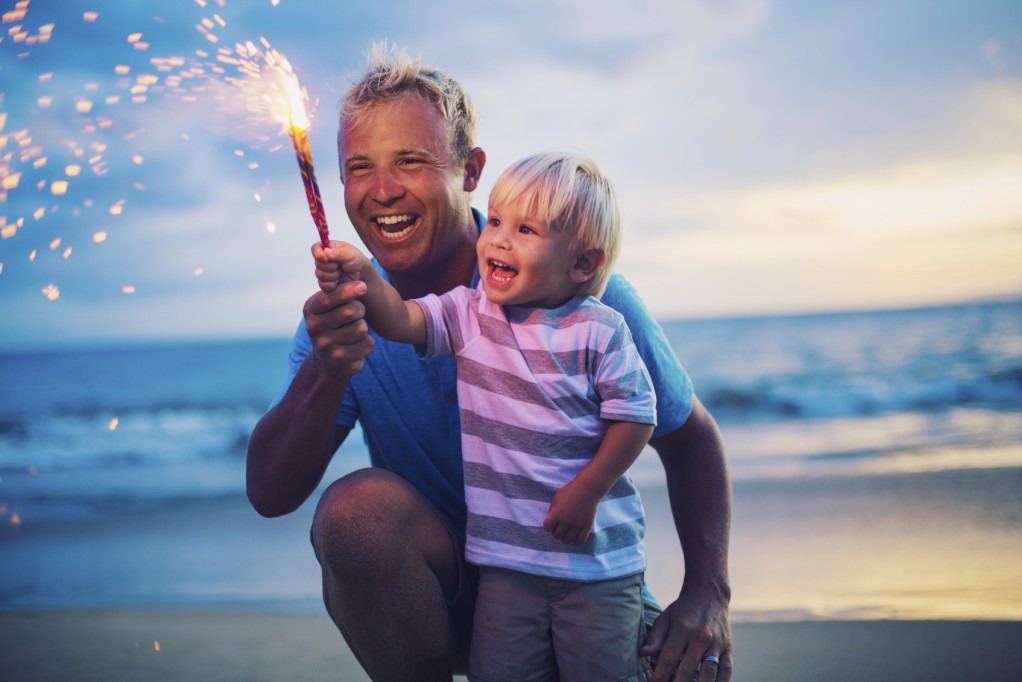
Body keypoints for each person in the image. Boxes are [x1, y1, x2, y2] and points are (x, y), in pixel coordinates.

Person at [246, 42, 733, 682]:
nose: (382, 190)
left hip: (581, 587)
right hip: (452, 596)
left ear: (470, 169)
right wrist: (327, 370)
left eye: (411, 162)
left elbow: (688, 436)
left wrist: (708, 595)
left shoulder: (584, 297)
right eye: (359, 168)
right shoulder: (344, 320)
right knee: (354, 515)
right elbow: (270, 493)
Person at [315, 151, 658, 681]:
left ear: (583, 264)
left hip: (595, 568)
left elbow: (636, 416)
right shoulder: (470, 313)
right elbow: (402, 320)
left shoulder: (600, 329)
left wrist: (589, 489)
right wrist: (361, 273)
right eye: (495, 220)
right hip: (504, 563)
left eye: (525, 230)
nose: (498, 239)